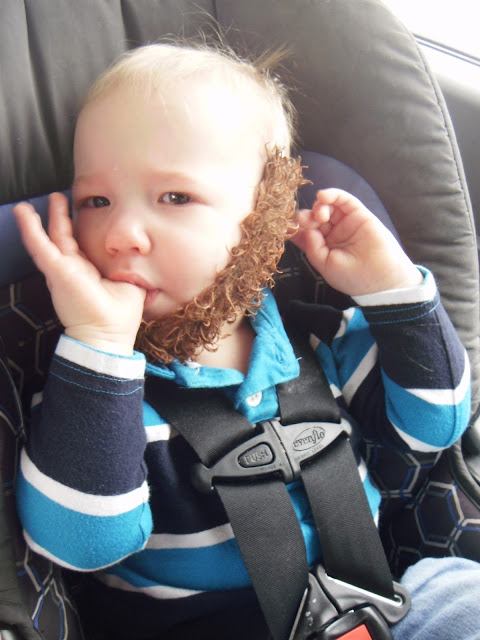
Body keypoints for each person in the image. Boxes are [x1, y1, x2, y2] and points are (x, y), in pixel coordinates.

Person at [12, 42, 479, 640]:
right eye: (95, 201)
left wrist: (392, 289)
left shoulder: (323, 340)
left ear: (266, 213)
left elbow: (434, 426)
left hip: (376, 610)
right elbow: (80, 543)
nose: (120, 233)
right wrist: (99, 342)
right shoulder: (94, 390)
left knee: (460, 590)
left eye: (175, 197)